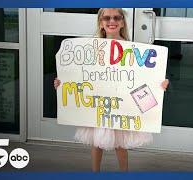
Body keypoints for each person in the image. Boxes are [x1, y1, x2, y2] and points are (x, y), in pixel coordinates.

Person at [54, 8, 169, 172]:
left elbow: (144, 76)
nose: (111, 21)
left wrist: (159, 85)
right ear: (101, 23)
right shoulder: (91, 49)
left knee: (120, 145)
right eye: (106, 18)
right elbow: (80, 74)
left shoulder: (132, 49)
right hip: (99, 104)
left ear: (122, 22)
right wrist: (63, 83)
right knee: (96, 142)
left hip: (121, 105)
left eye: (116, 18)